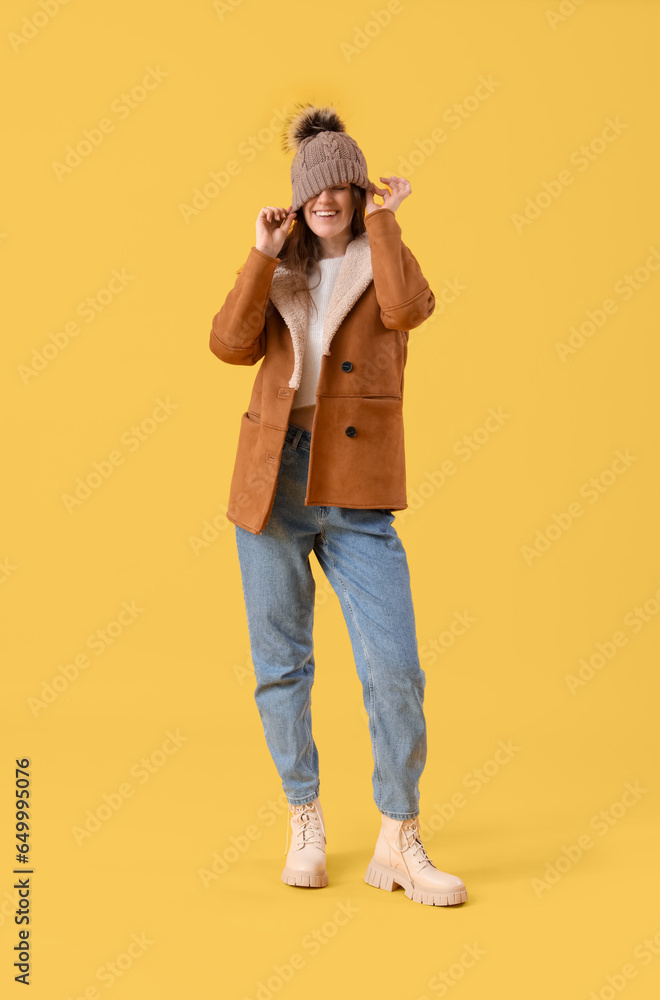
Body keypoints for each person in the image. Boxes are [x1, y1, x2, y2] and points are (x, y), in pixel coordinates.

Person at [209, 103, 467, 907]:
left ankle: (399, 836)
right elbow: (226, 342)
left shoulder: (383, 258)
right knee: (280, 664)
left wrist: (387, 226)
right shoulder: (280, 266)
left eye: (341, 188)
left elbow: (406, 311)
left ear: (356, 192)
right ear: (298, 196)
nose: (326, 200)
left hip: (356, 490)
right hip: (273, 483)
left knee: (395, 667)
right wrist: (258, 257)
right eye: (312, 189)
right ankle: (304, 817)